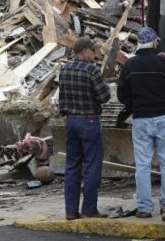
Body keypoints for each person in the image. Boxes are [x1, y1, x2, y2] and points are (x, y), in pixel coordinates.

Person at [118, 27, 165, 218]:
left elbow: (121, 95)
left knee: (142, 165)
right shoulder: (163, 61)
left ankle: (144, 208)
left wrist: (135, 105)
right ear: (154, 42)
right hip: (164, 118)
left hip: (141, 120)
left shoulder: (130, 65)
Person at [57, 37, 111, 220]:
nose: (95, 54)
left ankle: (71, 210)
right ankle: (89, 208)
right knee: (92, 166)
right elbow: (104, 96)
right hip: (89, 121)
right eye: (93, 51)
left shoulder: (64, 69)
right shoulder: (91, 70)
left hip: (71, 121)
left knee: (72, 167)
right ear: (84, 51)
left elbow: (61, 98)